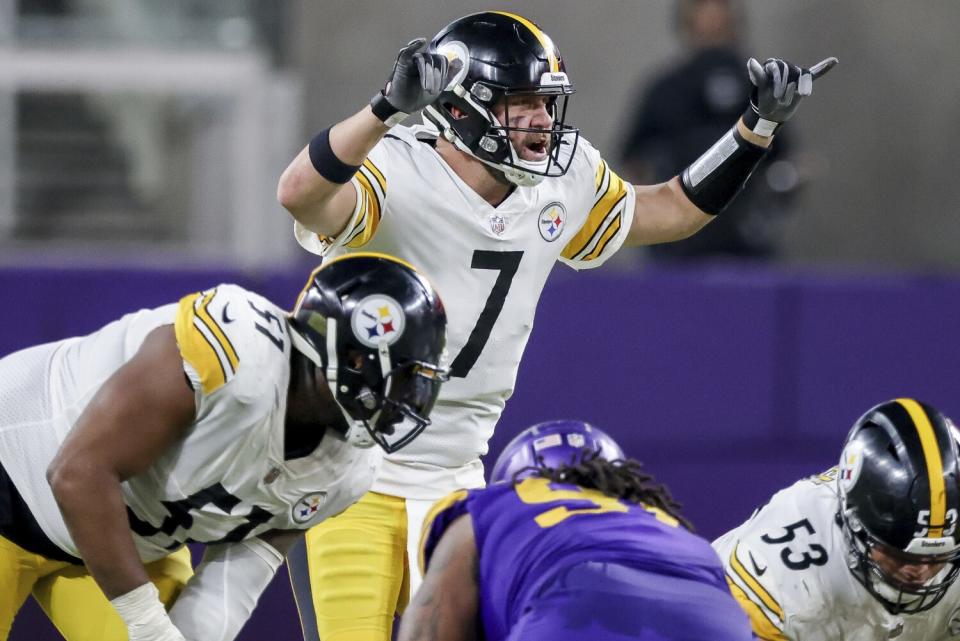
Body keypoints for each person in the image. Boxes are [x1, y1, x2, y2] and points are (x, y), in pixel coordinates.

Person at [276, 10, 836, 639]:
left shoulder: (562, 180)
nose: (543, 121)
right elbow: (299, 194)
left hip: (461, 480)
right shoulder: (396, 169)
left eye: (547, 103)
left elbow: (673, 208)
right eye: (522, 104)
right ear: (461, 110)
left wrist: (754, 128)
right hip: (352, 471)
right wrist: (382, 109)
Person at [0, 253, 448, 641]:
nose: (409, 401)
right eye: (406, 377)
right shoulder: (236, 353)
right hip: (18, 475)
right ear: (353, 358)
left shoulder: (348, 469)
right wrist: (148, 626)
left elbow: (231, 585)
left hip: (122, 543)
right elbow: (78, 474)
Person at [397, 419, 754, 641]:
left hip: (574, 610)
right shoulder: (672, 528)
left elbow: (431, 629)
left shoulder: (490, 507)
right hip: (718, 621)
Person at [713, 398, 960, 641]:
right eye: (901, 556)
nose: (919, 572)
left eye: (937, 558)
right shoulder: (777, 576)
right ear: (854, 521)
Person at [619, 0, 799, 260]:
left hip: (747, 247)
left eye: (720, 11)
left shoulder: (762, 91)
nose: (713, 20)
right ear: (688, 21)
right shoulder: (665, 89)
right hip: (675, 247)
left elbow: (788, 160)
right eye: (704, 10)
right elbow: (633, 160)